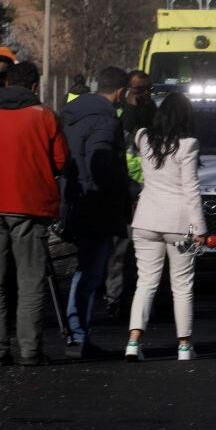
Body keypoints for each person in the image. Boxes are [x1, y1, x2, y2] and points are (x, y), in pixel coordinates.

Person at [0, 61, 69, 366]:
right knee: (30, 280)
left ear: (6, 83)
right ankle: (29, 350)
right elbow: (61, 161)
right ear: (35, 86)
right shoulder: (44, 115)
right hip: (29, 204)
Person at [124, 90, 205, 362]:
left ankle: (133, 342)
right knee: (181, 286)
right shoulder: (188, 145)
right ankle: (184, 346)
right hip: (178, 223)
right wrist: (200, 229)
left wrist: (140, 100)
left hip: (146, 220)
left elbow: (134, 123)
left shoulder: (145, 139)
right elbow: (191, 190)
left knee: (145, 283)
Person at [62, 66, 132, 358]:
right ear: (120, 91)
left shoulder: (69, 113)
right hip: (98, 205)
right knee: (89, 273)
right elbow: (100, 162)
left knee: (85, 269)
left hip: (74, 200)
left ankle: (76, 333)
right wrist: (128, 187)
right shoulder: (105, 120)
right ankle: (77, 335)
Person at [104, 69, 154, 318]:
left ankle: (141, 295)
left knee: (145, 247)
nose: (143, 94)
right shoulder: (122, 113)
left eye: (147, 89)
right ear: (126, 91)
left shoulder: (153, 111)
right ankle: (115, 297)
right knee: (120, 248)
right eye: (138, 90)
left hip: (147, 188)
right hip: (127, 187)